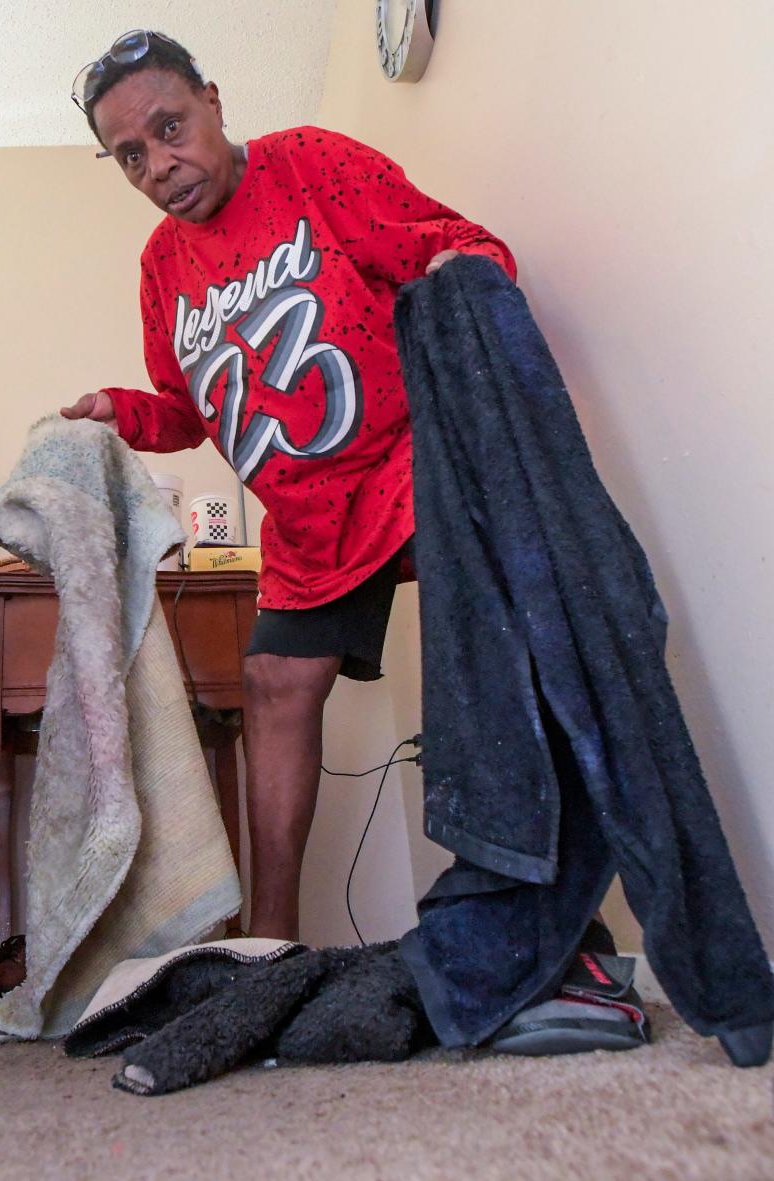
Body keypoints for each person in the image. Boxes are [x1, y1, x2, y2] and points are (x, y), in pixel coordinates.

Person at [62, 29, 515, 940]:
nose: (161, 164)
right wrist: (118, 411)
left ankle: (514, 900)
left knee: (490, 626)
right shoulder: (160, 268)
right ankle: (270, 943)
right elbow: (187, 411)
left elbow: (464, 244)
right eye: (132, 155)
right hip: (306, 526)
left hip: (406, 467)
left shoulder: (309, 163)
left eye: (171, 127)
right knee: (273, 678)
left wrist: (459, 275)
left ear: (216, 101)